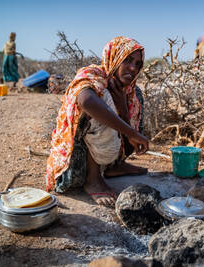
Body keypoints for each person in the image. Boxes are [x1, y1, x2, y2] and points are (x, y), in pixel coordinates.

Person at [46, 36, 149, 206]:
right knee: (103, 95)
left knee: (135, 95)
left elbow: (131, 147)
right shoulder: (91, 75)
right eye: (128, 60)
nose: (133, 68)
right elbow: (86, 101)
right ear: (114, 58)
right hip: (76, 166)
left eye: (138, 64)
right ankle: (93, 180)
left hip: (106, 156)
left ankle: (116, 165)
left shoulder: (130, 91)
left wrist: (123, 105)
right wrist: (131, 132)